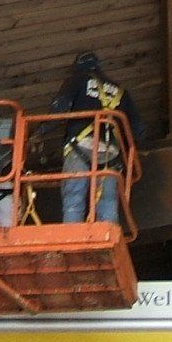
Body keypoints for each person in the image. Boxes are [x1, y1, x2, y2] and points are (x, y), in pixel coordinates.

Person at [50, 52, 144, 226]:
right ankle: (108, 234)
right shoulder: (121, 91)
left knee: (74, 196)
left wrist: (40, 133)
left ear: (78, 67)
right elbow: (138, 130)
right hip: (110, 151)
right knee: (108, 201)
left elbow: (60, 108)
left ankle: (72, 236)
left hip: (80, 144)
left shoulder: (77, 80)